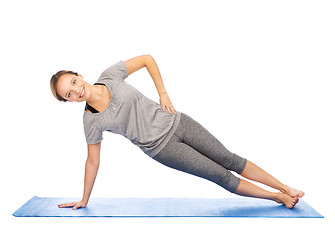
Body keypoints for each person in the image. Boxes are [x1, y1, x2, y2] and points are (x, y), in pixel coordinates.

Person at [50, 55, 304, 210]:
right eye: (68, 94)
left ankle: (286, 187)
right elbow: (92, 161)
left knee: (230, 159)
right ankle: (277, 197)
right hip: (163, 149)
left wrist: (163, 93)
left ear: (79, 75)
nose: (76, 90)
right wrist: (84, 199)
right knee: (221, 176)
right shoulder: (90, 121)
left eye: (73, 82)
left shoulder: (110, 75)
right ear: (69, 101)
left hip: (178, 121)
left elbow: (147, 58)